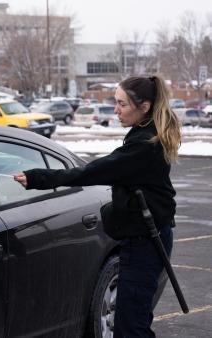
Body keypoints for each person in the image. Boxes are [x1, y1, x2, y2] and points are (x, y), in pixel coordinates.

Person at [14, 75, 181, 337]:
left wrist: (39, 178)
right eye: (115, 103)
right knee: (133, 320)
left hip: (145, 243)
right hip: (146, 238)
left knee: (130, 327)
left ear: (144, 106)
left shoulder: (143, 147)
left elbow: (93, 172)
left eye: (122, 104)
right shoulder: (144, 136)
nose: (116, 110)